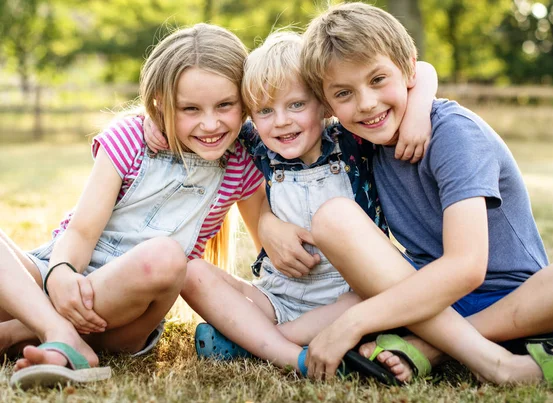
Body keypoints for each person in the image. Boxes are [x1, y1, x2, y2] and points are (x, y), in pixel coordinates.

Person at [256, 2, 553, 394]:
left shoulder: (454, 135)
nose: (366, 102)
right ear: (328, 105)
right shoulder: (361, 138)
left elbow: (466, 268)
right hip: (423, 300)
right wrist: (267, 222)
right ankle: (482, 352)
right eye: (344, 93)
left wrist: (354, 322)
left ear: (407, 72)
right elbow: (255, 133)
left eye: (378, 79)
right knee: (333, 217)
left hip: (521, 300)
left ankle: (437, 348)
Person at [144, 30, 437, 376]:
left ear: (326, 102)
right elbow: (204, 119)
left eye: (296, 104)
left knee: (380, 294)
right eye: (265, 110)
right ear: (251, 115)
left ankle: (260, 344)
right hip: (277, 296)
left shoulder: (353, 139)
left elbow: (423, 70)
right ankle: (287, 343)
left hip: (347, 295)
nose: (281, 121)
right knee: (192, 272)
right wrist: (153, 118)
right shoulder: (255, 147)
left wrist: (418, 112)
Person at [1, 22, 265, 386]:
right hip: (60, 273)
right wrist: (61, 272)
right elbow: (81, 230)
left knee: (166, 256)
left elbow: (267, 246)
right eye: (189, 108)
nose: (210, 123)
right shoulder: (129, 138)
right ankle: (55, 332)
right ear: (160, 103)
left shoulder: (241, 160)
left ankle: (27, 331)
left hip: (127, 315)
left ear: (245, 102)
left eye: (225, 105)